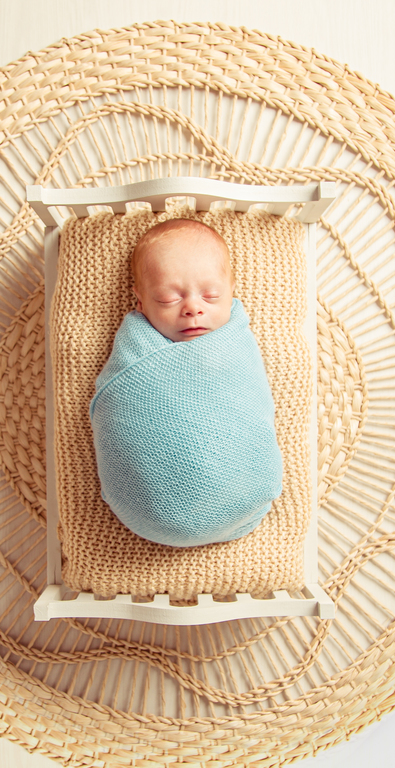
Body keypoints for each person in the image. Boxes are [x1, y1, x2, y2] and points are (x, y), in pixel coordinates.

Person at [88, 218, 284, 548]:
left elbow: (251, 402)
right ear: (140, 301)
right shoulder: (136, 349)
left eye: (211, 296)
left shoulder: (235, 341)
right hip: (147, 509)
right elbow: (118, 409)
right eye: (167, 299)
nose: (193, 308)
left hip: (242, 489)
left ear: (231, 293)